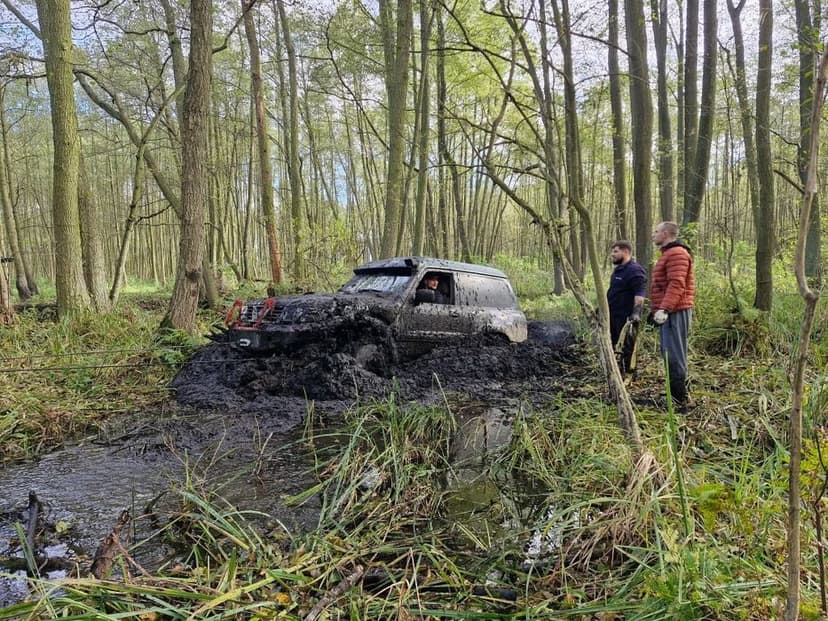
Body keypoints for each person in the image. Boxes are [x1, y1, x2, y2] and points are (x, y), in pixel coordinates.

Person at [650, 221, 695, 412]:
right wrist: (656, 310)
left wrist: (665, 309)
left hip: (675, 311)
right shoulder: (669, 254)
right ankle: (676, 394)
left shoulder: (677, 254)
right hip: (670, 311)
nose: (653, 234)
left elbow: (676, 284)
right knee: (669, 352)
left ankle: (680, 400)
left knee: (674, 354)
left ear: (666, 234)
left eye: (656, 231)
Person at [606, 240, 647, 377]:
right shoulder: (618, 270)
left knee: (627, 346)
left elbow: (640, 294)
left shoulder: (635, 270)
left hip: (627, 317)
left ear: (626, 252)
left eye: (616, 251)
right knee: (613, 343)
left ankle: (629, 374)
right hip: (613, 314)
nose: (612, 254)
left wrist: (636, 312)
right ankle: (616, 372)